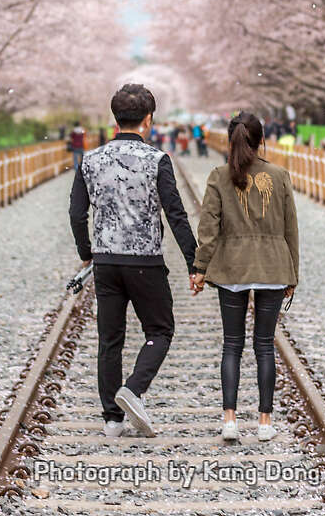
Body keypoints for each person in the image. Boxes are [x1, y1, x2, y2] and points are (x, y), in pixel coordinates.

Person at [69, 83, 198, 439]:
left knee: (110, 339)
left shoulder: (90, 161)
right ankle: (134, 388)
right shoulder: (157, 161)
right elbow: (176, 215)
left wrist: (86, 253)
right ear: (148, 120)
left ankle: (112, 419)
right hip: (145, 261)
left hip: (107, 261)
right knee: (160, 330)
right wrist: (194, 262)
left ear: (116, 118)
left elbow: (76, 213)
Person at [190, 111, 299, 443]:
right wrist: (292, 271)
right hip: (272, 267)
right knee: (265, 346)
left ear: (229, 140)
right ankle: (265, 423)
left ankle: (230, 420)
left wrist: (200, 268)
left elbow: (208, 229)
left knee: (232, 345)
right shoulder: (279, 175)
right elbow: (290, 228)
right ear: (261, 140)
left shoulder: (219, 176)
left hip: (232, 268)